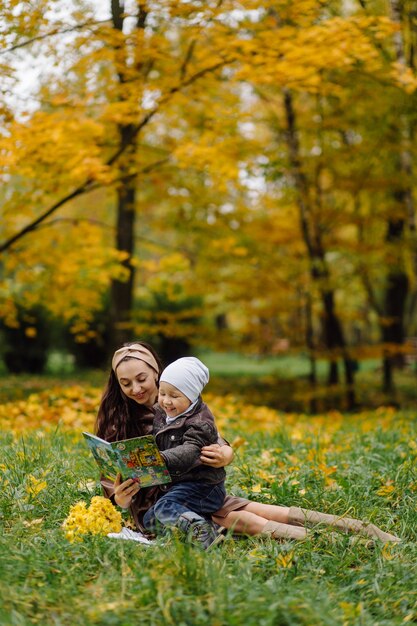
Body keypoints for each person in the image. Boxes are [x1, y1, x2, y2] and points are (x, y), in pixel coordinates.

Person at [96, 342, 401, 544]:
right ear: (117, 384)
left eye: (142, 379)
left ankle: (367, 532)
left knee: (272, 511)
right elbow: (111, 478)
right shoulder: (117, 421)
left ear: (156, 373)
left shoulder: (177, 401)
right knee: (249, 521)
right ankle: (344, 542)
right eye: (126, 383)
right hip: (160, 509)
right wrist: (120, 499)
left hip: (196, 491)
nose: (136, 388)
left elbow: (204, 436)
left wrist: (226, 453)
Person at [142, 356, 227, 548]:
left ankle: (201, 531)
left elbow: (190, 451)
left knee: (164, 507)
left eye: (174, 395)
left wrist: (160, 458)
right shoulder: (164, 414)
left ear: (192, 395)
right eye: (162, 393)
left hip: (203, 487)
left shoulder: (200, 423)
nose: (166, 401)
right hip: (181, 486)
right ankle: (206, 528)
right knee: (150, 519)